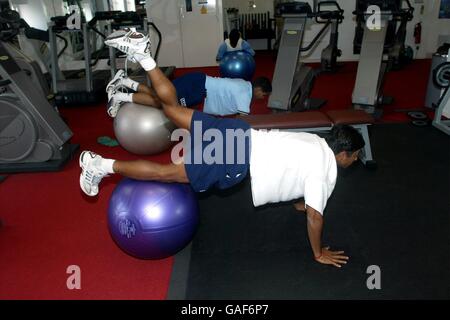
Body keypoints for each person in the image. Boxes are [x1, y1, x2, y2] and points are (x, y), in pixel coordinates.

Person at [80, 29, 365, 268]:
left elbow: (306, 198)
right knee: (165, 174)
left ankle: (143, 54)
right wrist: (318, 253)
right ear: (343, 154)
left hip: (237, 132)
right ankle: (100, 165)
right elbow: (316, 216)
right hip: (233, 158)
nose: (355, 161)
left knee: (171, 108)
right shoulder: (322, 169)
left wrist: (302, 203)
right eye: (355, 156)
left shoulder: (316, 140)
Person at [105, 70, 271, 117]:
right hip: (197, 89)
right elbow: (243, 122)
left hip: (198, 87)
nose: (263, 98)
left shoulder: (244, 84)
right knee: (161, 102)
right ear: (258, 89)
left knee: (159, 96)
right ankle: (120, 96)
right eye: (264, 95)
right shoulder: (245, 93)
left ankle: (124, 81)